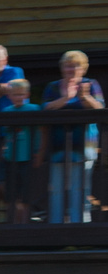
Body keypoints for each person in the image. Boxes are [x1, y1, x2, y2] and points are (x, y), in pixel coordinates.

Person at [42, 51, 103, 224]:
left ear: (83, 69)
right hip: (58, 146)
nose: (72, 69)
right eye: (68, 65)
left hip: (84, 145)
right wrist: (66, 98)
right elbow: (44, 108)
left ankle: (80, 228)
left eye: (76, 65)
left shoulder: (91, 84)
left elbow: (100, 108)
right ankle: (56, 227)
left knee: (81, 189)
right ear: (62, 68)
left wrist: (85, 97)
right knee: (56, 189)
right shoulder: (53, 87)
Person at [0, 80, 42, 221]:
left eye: (21, 94)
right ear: (9, 96)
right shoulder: (6, 111)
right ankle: (12, 223)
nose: (18, 97)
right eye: (15, 95)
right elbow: (5, 133)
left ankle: (24, 223)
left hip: (27, 157)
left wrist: (38, 152)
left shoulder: (34, 110)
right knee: (11, 193)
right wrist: (2, 150)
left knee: (26, 193)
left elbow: (40, 132)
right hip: (11, 157)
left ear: (27, 95)